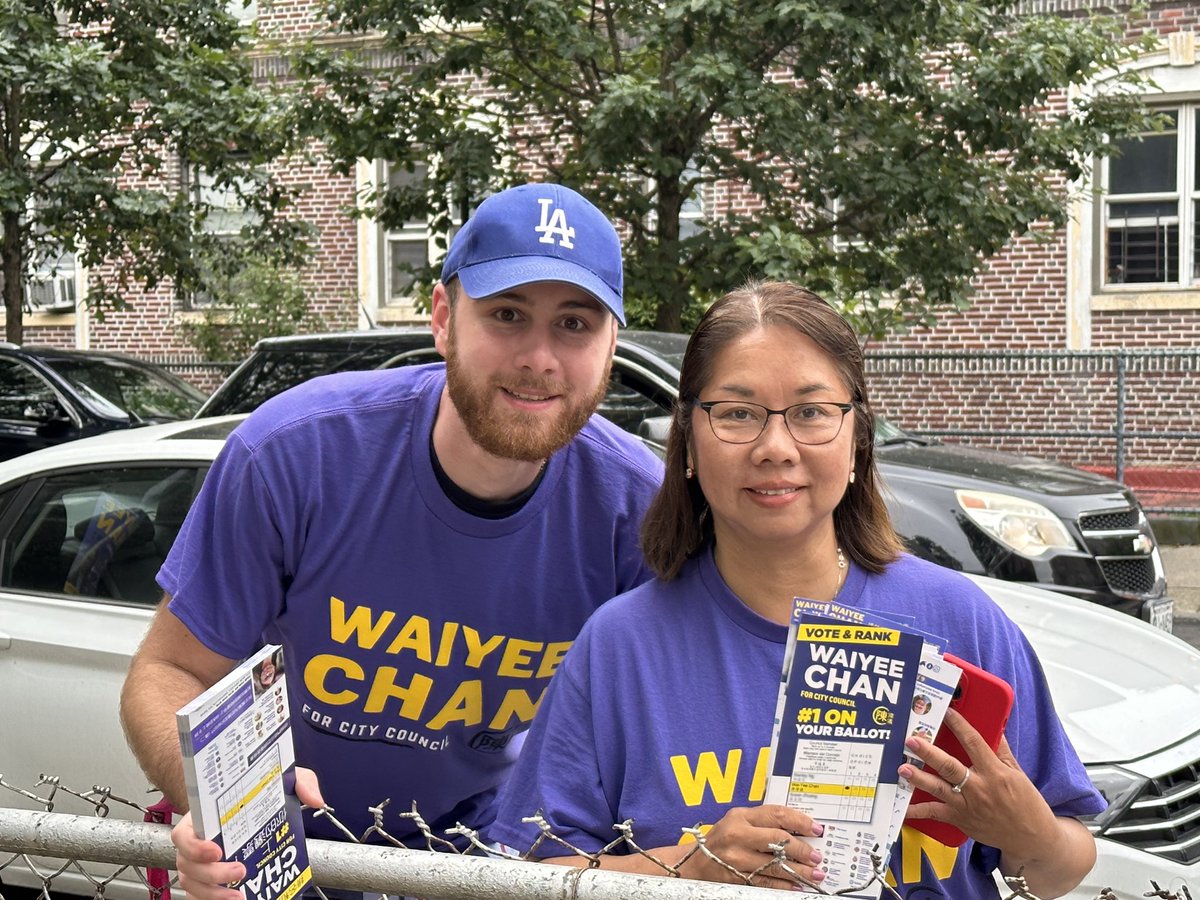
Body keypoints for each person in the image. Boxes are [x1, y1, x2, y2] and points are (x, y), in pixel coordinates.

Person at [118, 183, 664, 888]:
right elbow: (167, 673)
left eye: (575, 325)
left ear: (612, 343)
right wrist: (224, 807)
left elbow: (651, 738)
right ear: (443, 318)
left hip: (476, 863)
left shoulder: (637, 511)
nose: (539, 357)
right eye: (506, 314)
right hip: (283, 848)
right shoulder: (296, 455)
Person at [486, 281, 1102, 898]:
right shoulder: (621, 647)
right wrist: (691, 865)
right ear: (689, 444)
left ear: (857, 437)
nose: (775, 448)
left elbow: (1062, 869)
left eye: (810, 412)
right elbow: (533, 880)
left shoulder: (956, 617)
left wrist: (1033, 835)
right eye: (737, 413)